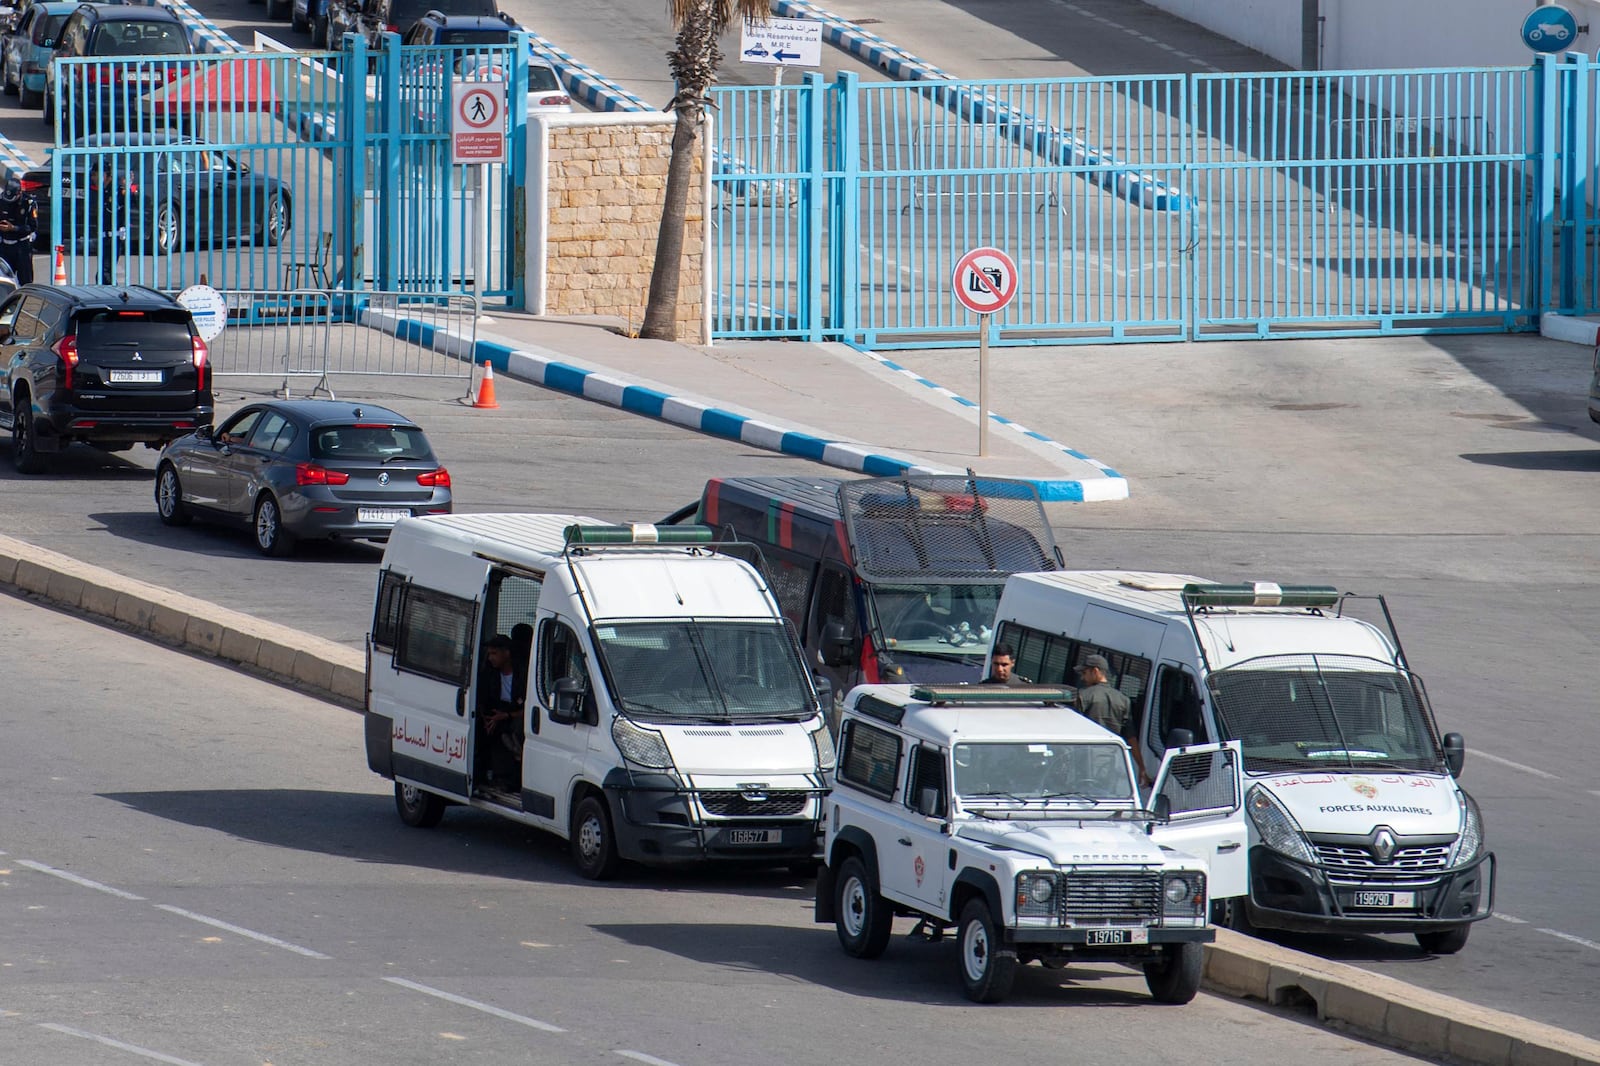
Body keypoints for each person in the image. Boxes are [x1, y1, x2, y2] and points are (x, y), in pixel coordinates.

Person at [1075, 653, 1150, 786]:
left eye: (1084, 672)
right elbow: (1131, 738)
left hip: (1083, 764)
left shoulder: (1083, 696)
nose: (1082, 677)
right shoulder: (1123, 700)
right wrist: (1142, 767)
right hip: (1110, 766)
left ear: (1095, 671)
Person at [476, 634, 525, 787]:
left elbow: (529, 708)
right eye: (489, 654)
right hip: (497, 714)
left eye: (494, 654)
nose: (491, 658)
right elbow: (482, 700)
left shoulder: (522, 675)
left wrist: (507, 715)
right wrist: (488, 718)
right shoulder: (490, 674)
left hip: (515, 715)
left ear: (507, 653)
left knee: (516, 729)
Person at [0, 175, 37, 286]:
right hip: (4, 245)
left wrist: (13, 228)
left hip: (22, 246)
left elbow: (32, 227)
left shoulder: (28, 203)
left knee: (25, 281)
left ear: (19, 193)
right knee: (4, 281)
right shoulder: (2, 201)